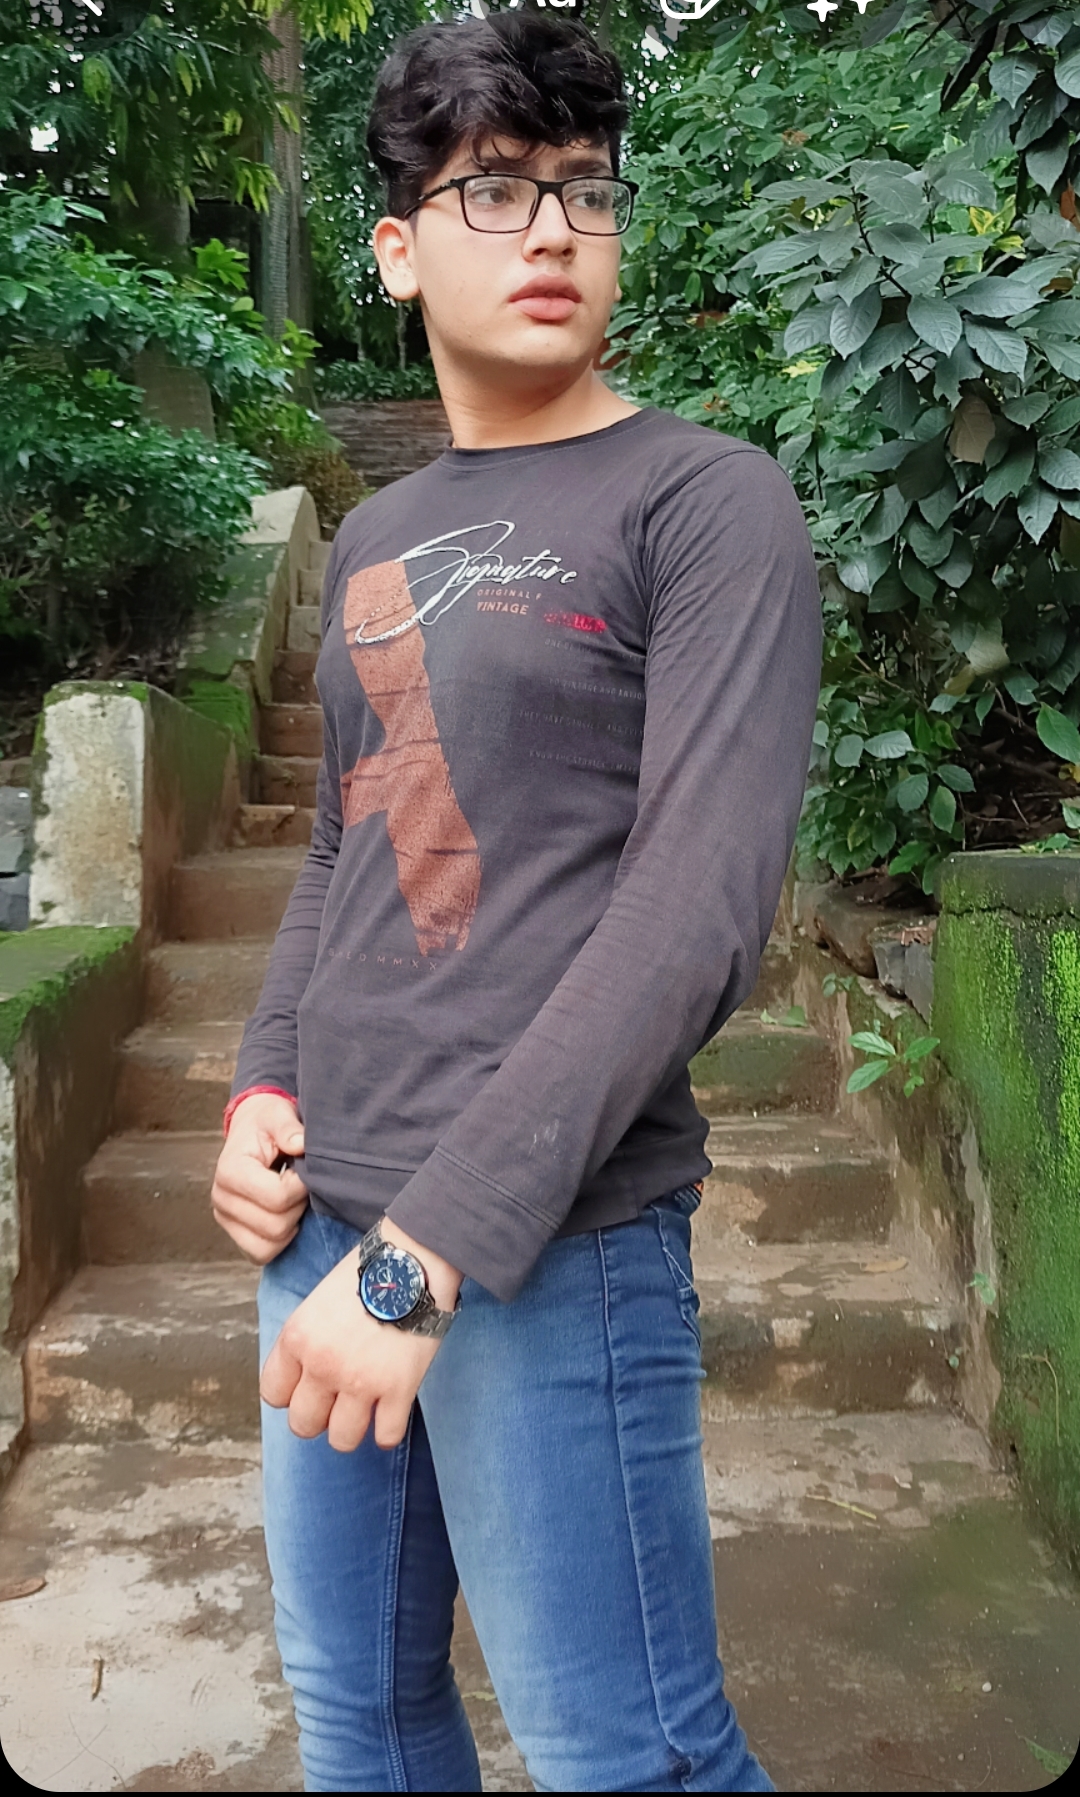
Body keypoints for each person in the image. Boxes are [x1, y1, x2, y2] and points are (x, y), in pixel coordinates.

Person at [211, 11, 822, 1792]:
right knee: (360, 1712)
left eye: (583, 189)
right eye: (492, 189)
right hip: (325, 1222)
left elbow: (698, 910)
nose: (553, 228)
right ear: (398, 250)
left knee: (625, 1754)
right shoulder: (379, 537)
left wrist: (430, 1253)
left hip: (545, 1242)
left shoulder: (706, 503)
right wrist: (261, 1084)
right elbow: (348, 843)